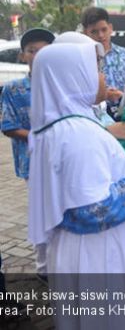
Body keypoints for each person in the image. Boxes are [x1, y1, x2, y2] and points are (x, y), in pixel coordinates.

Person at [27, 42, 125, 329]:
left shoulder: (55, 126)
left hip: (81, 253)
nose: (103, 75)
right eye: (95, 68)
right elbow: (92, 209)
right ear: (72, 76)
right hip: (101, 257)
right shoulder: (79, 135)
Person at [0, 28, 55, 282]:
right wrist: (40, 138)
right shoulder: (13, 90)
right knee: (42, 214)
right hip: (33, 162)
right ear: (23, 56)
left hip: (62, 161)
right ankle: (44, 267)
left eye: (44, 50)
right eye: (32, 50)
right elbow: (8, 126)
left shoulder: (61, 85)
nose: (38, 55)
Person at [81, 7, 125, 119]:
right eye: (94, 31)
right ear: (85, 33)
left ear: (110, 28)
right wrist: (104, 96)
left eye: (104, 30)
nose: (100, 35)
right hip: (97, 119)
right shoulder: (82, 60)